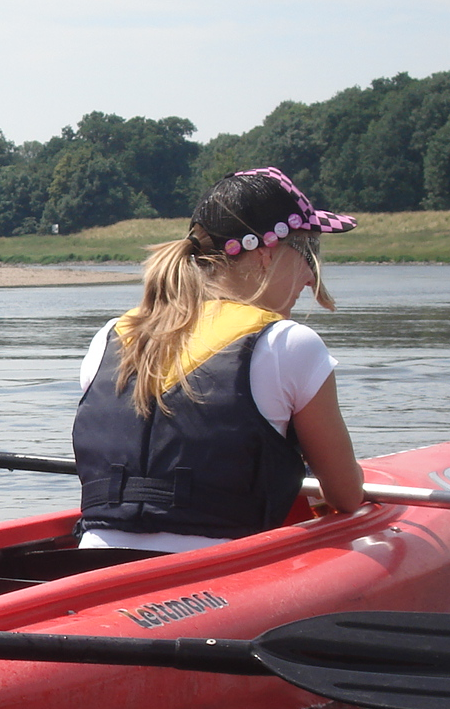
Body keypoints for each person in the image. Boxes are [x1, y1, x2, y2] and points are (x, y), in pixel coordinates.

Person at [70, 167, 363, 554]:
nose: (311, 276)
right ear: (266, 253)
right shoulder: (290, 344)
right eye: (308, 252)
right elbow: (347, 495)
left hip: (93, 562)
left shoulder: (110, 336)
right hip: (213, 573)